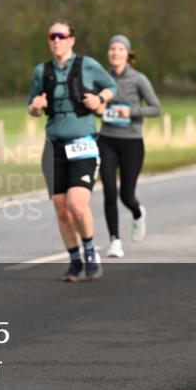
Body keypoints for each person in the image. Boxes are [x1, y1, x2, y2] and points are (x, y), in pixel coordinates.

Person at [27, 20, 116, 282]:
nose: (56, 40)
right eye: (52, 36)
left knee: (77, 205)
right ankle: (75, 261)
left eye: (61, 36)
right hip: (54, 145)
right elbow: (32, 108)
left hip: (83, 142)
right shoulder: (41, 71)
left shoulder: (88, 65)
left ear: (71, 40)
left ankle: (90, 251)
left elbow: (112, 86)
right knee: (61, 208)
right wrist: (36, 106)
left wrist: (100, 99)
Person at [96, 35, 161, 258]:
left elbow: (155, 108)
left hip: (132, 141)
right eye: (112, 48)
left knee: (126, 194)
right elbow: (94, 103)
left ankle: (137, 211)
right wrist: (97, 108)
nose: (115, 53)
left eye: (120, 49)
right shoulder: (102, 79)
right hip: (106, 139)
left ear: (127, 54)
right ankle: (115, 240)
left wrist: (131, 112)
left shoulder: (138, 79)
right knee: (109, 191)